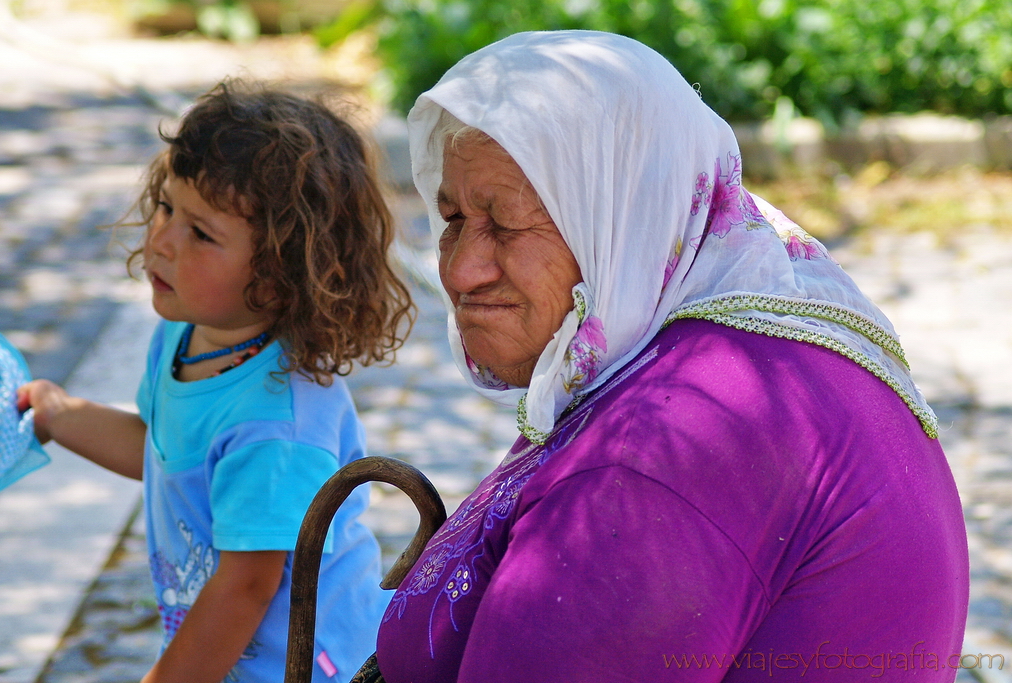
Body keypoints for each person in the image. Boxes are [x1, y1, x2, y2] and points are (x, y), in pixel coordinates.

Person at [373, 31, 969, 682]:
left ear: (624, 216)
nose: (459, 271)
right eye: (453, 218)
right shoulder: (738, 338)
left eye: (505, 225)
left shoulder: (671, 443)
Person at [18, 82, 413, 682]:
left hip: (305, 667)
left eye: (201, 234)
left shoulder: (275, 424)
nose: (162, 239)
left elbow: (246, 587)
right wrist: (59, 413)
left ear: (284, 271)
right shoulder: (190, 335)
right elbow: (166, 451)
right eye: (168, 207)